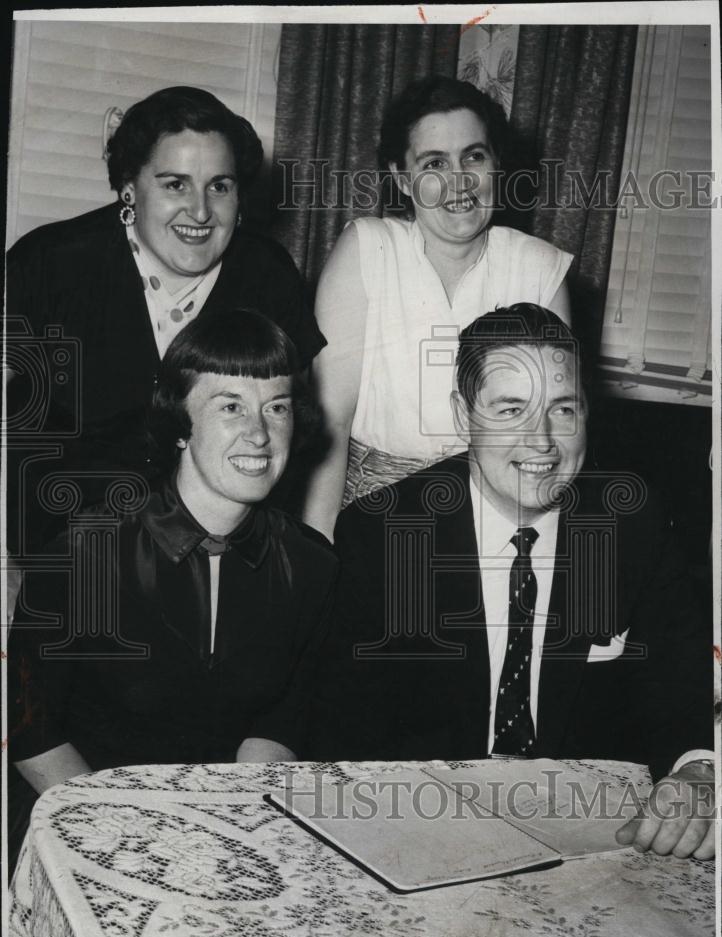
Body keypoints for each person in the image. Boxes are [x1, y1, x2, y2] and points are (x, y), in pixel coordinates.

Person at [311, 303, 715, 859]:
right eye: (511, 409)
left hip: (589, 836)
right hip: (423, 827)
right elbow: (340, 726)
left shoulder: (631, 524)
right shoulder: (383, 535)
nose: (542, 442)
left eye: (563, 409)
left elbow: (678, 682)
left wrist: (697, 771)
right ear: (462, 416)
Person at [6, 308, 338, 874]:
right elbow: (29, 728)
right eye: (229, 405)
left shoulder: (311, 565)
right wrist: (137, 839)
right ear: (180, 424)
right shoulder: (85, 550)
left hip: (226, 829)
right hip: (80, 822)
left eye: (276, 407)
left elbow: (281, 720)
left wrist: (226, 828)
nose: (258, 433)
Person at [6, 85, 324, 556]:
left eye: (220, 186)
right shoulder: (49, 263)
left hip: (216, 551)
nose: (200, 211)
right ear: (129, 188)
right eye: (175, 184)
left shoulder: (268, 276)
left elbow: (290, 434)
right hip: (56, 551)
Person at [303, 76, 573, 540]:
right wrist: (316, 553)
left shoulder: (540, 268)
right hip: (370, 514)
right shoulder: (368, 249)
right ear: (401, 178)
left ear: (497, 164)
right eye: (434, 163)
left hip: (499, 518)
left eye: (474, 156)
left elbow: (549, 437)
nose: (459, 182)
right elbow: (330, 424)